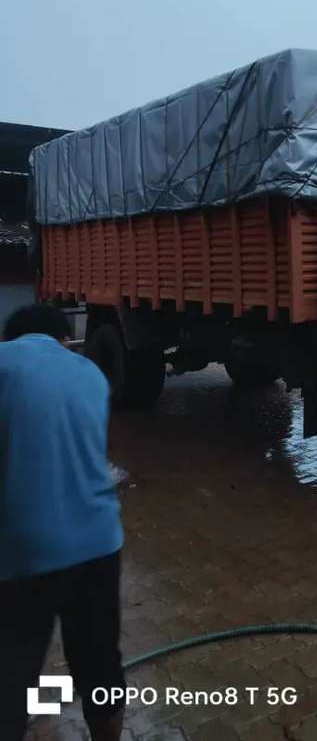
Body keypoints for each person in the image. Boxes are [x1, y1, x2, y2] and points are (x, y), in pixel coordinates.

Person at [0, 304, 125, 741]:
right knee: (99, 663)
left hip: (26, 548)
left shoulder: (3, 362)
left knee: (13, 669)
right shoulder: (91, 375)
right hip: (100, 542)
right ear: (63, 339)